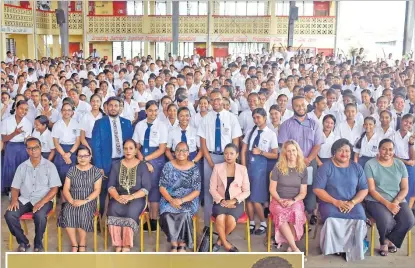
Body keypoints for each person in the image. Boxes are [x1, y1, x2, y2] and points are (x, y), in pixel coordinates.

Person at [313, 138, 369, 261]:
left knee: (359, 217)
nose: (344, 154)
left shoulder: (356, 167)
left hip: (351, 202)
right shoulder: (326, 167)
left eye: (347, 151)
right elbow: (317, 189)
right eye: (340, 151)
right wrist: (336, 202)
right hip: (330, 202)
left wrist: (352, 202)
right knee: (333, 217)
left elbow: (364, 188)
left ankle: (353, 247)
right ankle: (335, 248)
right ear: (334, 152)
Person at [4, 137, 61, 252]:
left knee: (40, 216)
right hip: (25, 199)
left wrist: (41, 202)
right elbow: (15, 187)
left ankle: (38, 244)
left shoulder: (50, 166)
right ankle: (23, 242)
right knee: (9, 215)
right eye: (30, 148)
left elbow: (54, 189)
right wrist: (14, 199)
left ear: (40, 148)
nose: (33, 150)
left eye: (35, 148)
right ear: (27, 151)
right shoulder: (22, 167)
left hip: (44, 199)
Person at [198, 90, 242, 226]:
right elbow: (203, 144)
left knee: (226, 190)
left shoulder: (231, 118)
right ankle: (207, 225)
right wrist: (210, 162)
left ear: (222, 99)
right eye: (212, 100)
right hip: (210, 157)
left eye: (217, 99)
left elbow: (235, 141)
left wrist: (230, 161)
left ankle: (223, 223)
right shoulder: (205, 119)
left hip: (227, 159)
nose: (215, 102)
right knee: (209, 191)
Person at [278, 96, 325, 224]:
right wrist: (297, 160)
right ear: (292, 107)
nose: (300, 108)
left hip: (310, 163)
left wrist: (309, 159)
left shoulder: (314, 124)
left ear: (306, 105)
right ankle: (296, 220)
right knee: (293, 191)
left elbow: (317, 144)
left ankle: (307, 216)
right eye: (297, 105)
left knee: (310, 193)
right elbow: (284, 146)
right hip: (291, 164)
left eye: (302, 105)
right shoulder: (286, 125)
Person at [365, 139, 415, 256]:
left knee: (409, 220)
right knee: (387, 221)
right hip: (376, 200)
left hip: (397, 199)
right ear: (379, 149)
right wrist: (388, 204)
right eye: (384, 149)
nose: (387, 152)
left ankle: (389, 240)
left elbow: (404, 188)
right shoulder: (370, 164)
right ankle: (383, 242)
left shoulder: (400, 164)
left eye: (390, 149)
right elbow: (371, 190)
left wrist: (396, 202)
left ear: (394, 151)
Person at [92, 96, 133, 217]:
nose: (113, 108)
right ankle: (100, 218)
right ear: (106, 107)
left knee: (122, 190)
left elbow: (130, 144)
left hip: (123, 162)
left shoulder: (127, 123)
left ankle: (118, 218)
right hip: (106, 163)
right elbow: (96, 146)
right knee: (103, 191)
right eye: (111, 105)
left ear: (120, 108)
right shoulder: (99, 123)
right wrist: (99, 166)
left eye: (116, 105)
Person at [107, 139, 151, 252]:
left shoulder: (142, 166)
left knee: (131, 211)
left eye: (131, 148)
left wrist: (131, 197)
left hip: (137, 198)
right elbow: (111, 186)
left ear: (136, 150)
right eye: (125, 148)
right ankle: (117, 244)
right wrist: (117, 197)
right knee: (112, 208)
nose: (128, 151)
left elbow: (146, 188)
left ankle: (126, 244)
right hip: (119, 196)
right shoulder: (116, 165)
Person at [241, 108, 278, 235]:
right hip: (249, 166)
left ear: (265, 118)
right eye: (254, 118)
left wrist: (261, 152)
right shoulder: (251, 131)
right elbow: (243, 150)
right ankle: (251, 222)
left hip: (261, 168)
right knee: (248, 197)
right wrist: (243, 167)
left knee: (256, 197)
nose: (256, 120)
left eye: (258, 117)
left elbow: (275, 155)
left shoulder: (271, 134)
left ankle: (263, 222)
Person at [57, 147, 102, 252]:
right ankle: (74, 244)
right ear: (76, 158)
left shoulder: (96, 171)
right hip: (72, 199)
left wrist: (84, 201)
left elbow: (97, 190)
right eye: (80, 156)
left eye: (85, 156)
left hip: (88, 201)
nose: (82, 158)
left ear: (90, 157)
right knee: (67, 212)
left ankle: (82, 243)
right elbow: (66, 189)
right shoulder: (72, 170)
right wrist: (72, 201)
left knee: (82, 213)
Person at [159, 142, 201, 252]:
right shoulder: (168, 166)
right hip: (169, 199)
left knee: (184, 214)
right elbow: (162, 187)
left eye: (183, 150)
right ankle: (174, 244)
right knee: (167, 214)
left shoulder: (194, 168)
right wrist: (171, 200)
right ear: (174, 153)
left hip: (188, 200)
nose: (180, 153)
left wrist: (181, 200)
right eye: (178, 150)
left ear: (188, 153)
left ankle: (182, 244)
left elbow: (197, 191)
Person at [133, 100, 168, 231]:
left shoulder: (162, 126)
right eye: (150, 110)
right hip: (141, 158)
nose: (153, 113)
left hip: (156, 159)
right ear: (146, 111)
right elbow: (136, 146)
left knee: (154, 189)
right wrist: (143, 160)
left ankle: (154, 219)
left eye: (155, 110)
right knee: (143, 188)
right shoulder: (139, 125)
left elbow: (162, 148)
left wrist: (147, 160)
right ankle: (144, 218)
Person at [209, 143, 250, 252]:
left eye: (231, 153)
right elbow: (212, 189)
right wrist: (221, 200)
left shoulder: (242, 169)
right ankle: (226, 245)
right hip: (220, 201)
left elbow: (247, 191)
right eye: (226, 153)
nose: (228, 156)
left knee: (231, 220)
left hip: (236, 202)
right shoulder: (218, 168)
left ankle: (219, 241)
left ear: (237, 155)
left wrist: (234, 200)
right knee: (220, 217)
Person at [269, 140, 307, 252]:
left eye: (294, 150)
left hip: (295, 200)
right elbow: (272, 189)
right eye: (288, 151)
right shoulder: (278, 167)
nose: (291, 153)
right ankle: (295, 248)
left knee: (296, 213)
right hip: (278, 200)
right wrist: (280, 201)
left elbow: (303, 192)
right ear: (285, 153)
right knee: (281, 215)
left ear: (297, 151)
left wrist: (293, 201)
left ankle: (291, 246)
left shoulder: (303, 168)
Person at [1, 100, 32, 192]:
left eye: (26, 110)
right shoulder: (6, 121)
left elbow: (27, 140)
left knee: (21, 168)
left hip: (22, 147)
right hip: (10, 146)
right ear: (16, 108)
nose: (23, 111)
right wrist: (15, 133)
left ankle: (20, 189)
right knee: (10, 167)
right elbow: (4, 139)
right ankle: (10, 189)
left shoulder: (28, 123)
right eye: (21, 109)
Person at [52, 102, 80, 184]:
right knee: (61, 173)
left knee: (73, 174)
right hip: (61, 150)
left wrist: (70, 153)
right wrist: (64, 155)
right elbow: (56, 143)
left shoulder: (76, 123)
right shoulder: (57, 124)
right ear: (61, 111)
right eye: (64, 110)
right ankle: (61, 194)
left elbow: (78, 141)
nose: (66, 112)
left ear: (72, 112)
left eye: (69, 110)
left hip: (73, 150)